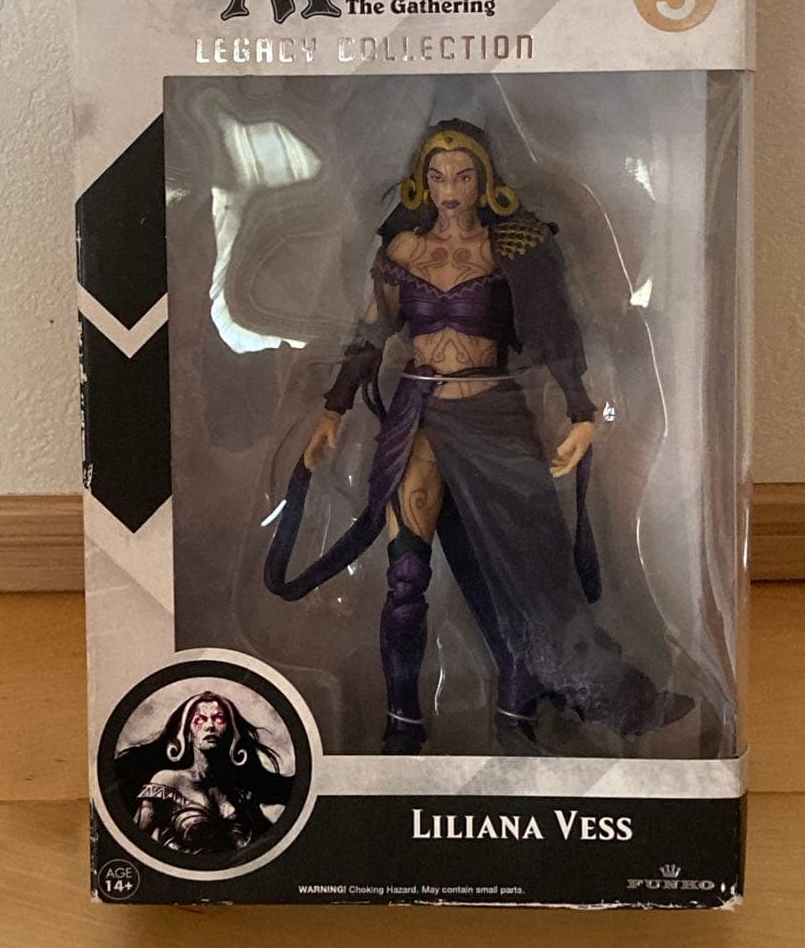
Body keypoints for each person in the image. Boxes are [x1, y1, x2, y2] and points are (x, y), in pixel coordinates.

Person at [266, 119, 693, 754]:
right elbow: (371, 336)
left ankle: (519, 714)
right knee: (405, 577)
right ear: (422, 181)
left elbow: (555, 331)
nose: (449, 189)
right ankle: (402, 725)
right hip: (417, 417)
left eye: (463, 176)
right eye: (438, 176)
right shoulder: (402, 251)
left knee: (525, 571)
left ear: (484, 180)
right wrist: (333, 411)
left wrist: (581, 413)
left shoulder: (511, 247)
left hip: (494, 414)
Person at [116, 690, 294, 854]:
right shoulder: (167, 781)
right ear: (187, 733)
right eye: (200, 719)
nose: (210, 726)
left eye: (218, 718)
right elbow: (134, 843)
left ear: (231, 732)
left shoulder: (240, 793)